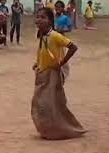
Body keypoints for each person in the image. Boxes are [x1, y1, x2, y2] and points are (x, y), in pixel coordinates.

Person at [32, 7, 86, 140]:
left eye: (43, 17)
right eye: (38, 17)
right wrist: (37, 63)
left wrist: (61, 63)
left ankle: (64, 128)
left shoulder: (55, 35)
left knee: (50, 103)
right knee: (42, 102)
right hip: (42, 73)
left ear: (50, 21)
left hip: (52, 74)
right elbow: (42, 51)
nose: (39, 19)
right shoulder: (41, 34)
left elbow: (73, 47)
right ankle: (49, 128)